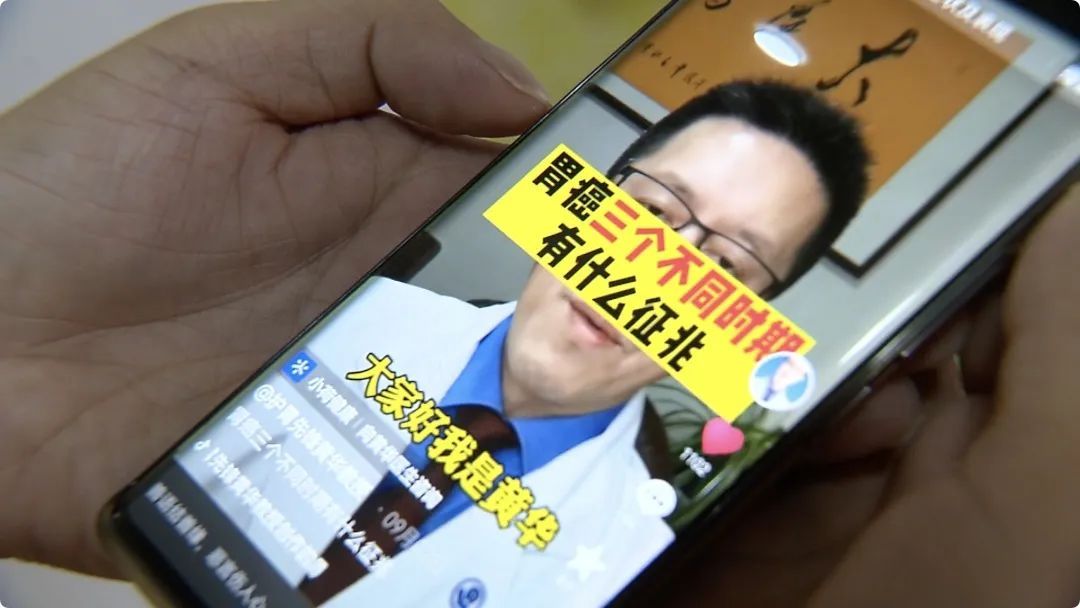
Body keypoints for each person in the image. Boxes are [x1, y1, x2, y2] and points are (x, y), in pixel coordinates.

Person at [0, 1, 1075, 608]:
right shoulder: (360, 327)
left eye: (729, 261)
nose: (657, 268)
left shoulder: (635, 530)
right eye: (648, 210)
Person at [283, 75, 869, 605]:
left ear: (743, 325)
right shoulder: (346, 315)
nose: (649, 280)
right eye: (651, 211)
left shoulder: (634, 559)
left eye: (723, 266)